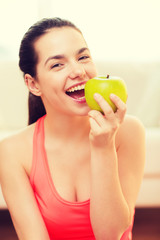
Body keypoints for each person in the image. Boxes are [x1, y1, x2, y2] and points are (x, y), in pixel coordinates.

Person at [0, 18, 145, 240]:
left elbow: (109, 235)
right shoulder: (12, 151)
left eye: (83, 57)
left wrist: (103, 146)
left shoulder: (129, 131)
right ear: (33, 84)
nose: (78, 71)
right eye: (57, 64)